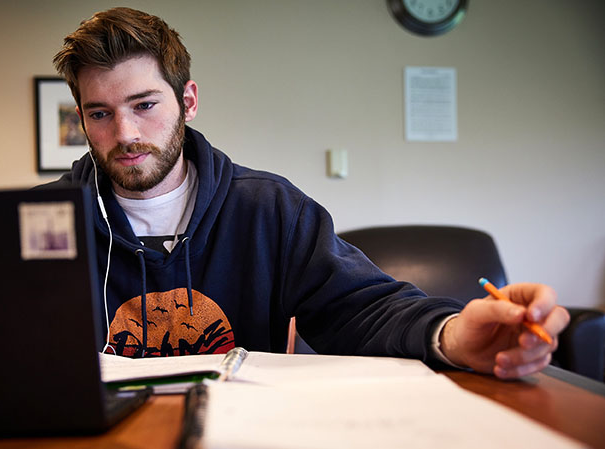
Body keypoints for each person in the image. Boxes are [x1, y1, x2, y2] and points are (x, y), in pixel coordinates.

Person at [44, 7, 569, 379]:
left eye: (144, 105)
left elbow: (360, 308)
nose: (126, 133)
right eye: (100, 113)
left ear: (188, 101)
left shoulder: (269, 209)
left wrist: (453, 334)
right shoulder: (43, 219)